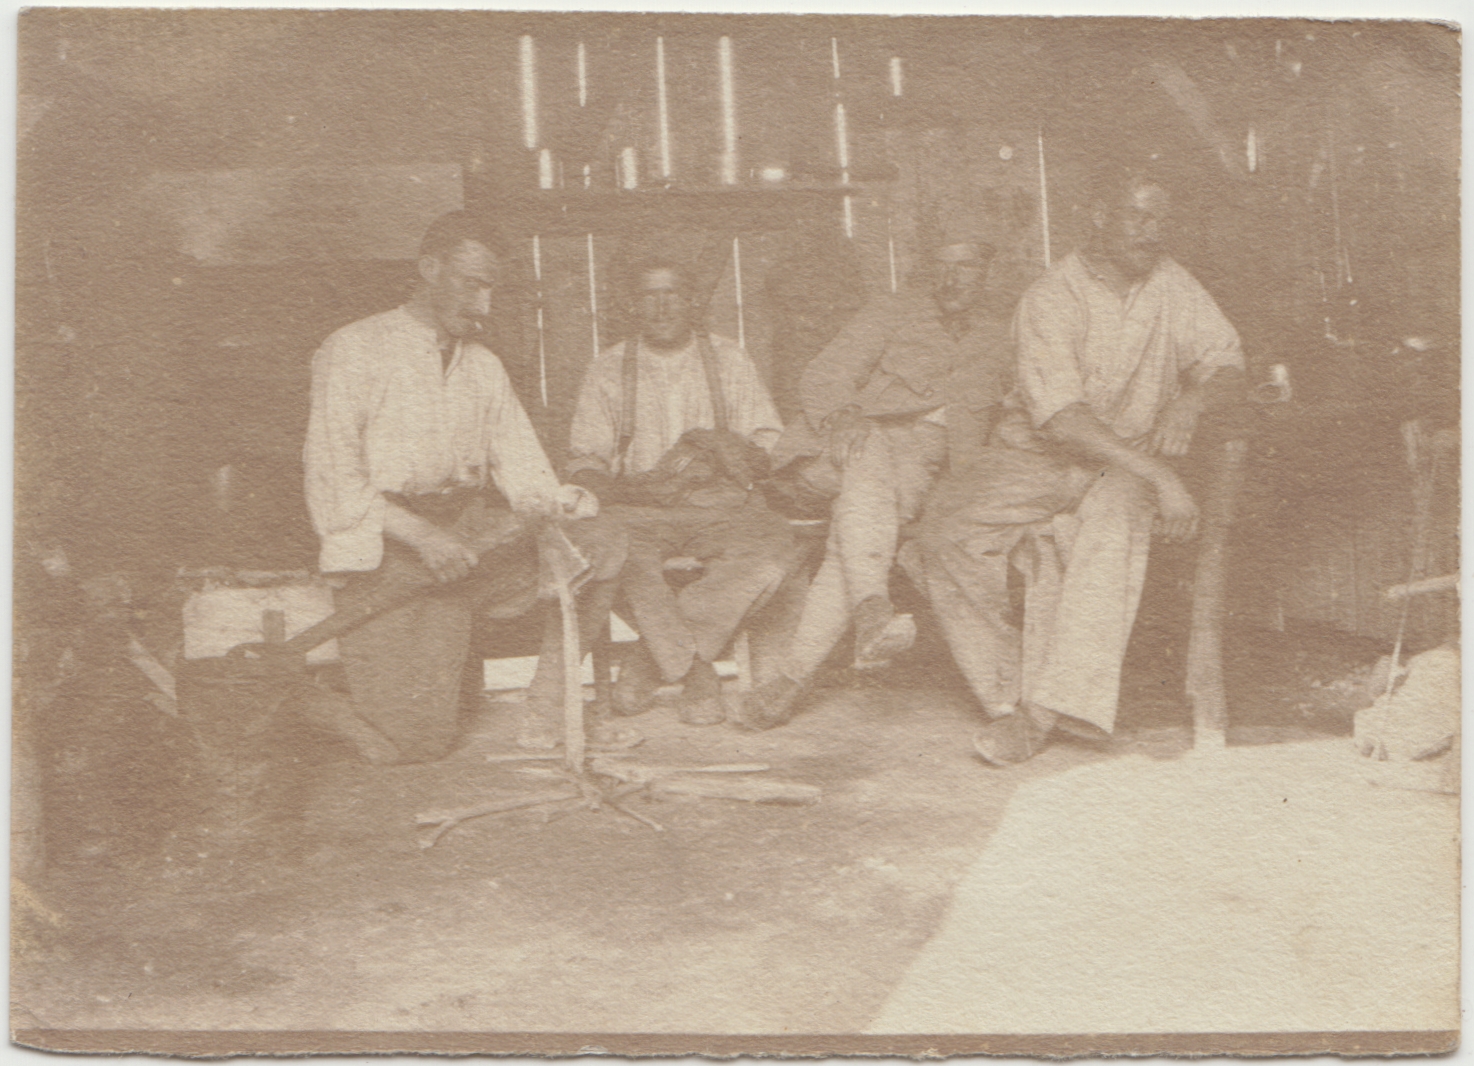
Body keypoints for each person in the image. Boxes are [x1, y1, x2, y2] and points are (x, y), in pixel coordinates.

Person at [901, 169, 1247, 765]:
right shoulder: (1051, 296)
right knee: (941, 533)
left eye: (1161, 219)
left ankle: (1041, 714)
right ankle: (1008, 693)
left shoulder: (1173, 284)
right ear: (1099, 216)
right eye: (1138, 216)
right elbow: (1062, 419)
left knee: (1114, 521)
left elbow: (1231, 364)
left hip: (1121, 466)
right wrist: (1162, 474)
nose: (1152, 232)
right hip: (1035, 456)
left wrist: (1192, 398)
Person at [302, 210, 630, 764]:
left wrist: (561, 500)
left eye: (491, 289)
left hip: (471, 547)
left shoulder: (483, 366)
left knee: (602, 540)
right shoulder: (353, 349)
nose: (484, 306)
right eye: (472, 285)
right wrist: (424, 537)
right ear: (429, 268)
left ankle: (547, 709)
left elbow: (523, 468)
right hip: (390, 552)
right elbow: (334, 479)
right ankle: (308, 703)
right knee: (414, 744)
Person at [737, 239, 1013, 729]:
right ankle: (867, 608)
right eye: (942, 264)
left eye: (966, 266)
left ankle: (794, 676)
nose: (952, 278)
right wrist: (845, 414)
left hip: (920, 468)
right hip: (842, 447)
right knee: (870, 459)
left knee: (858, 528)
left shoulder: (1005, 332)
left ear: (987, 272)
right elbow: (825, 374)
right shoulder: (892, 311)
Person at [567, 257, 799, 726]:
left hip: (720, 507)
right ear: (633, 305)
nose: (661, 306)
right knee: (614, 554)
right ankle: (696, 674)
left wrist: (727, 453)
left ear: (692, 301)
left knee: (775, 548)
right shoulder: (608, 367)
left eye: (671, 293)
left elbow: (769, 440)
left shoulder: (729, 358)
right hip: (641, 510)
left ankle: (648, 661)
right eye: (649, 295)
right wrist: (603, 491)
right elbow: (586, 457)